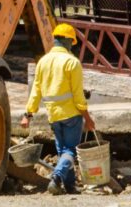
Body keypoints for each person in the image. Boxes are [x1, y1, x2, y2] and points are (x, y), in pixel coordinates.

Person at [20, 23, 96, 195]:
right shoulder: (72, 62)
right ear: (69, 41)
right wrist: (88, 118)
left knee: (62, 151)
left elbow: (36, 91)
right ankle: (56, 177)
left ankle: (69, 186)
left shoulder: (43, 62)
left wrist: (28, 114)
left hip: (53, 115)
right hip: (71, 115)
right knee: (70, 151)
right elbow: (78, 95)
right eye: (72, 42)